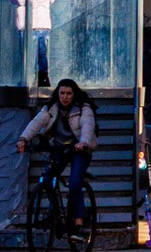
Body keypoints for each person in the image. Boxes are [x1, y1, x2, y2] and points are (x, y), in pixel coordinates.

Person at [23, 79, 96, 225]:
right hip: (59, 148)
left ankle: (79, 222)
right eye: (62, 93)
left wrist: (84, 142)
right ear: (58, 93)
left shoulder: (83, 108)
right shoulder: (52, 107)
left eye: (69, 93)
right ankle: (55, 213)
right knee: (47, 179)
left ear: (74, 94)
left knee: (75, 183)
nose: (65, 97)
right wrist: (23, 139)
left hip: (79, 150)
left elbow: (87, 125)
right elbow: (36, 123)